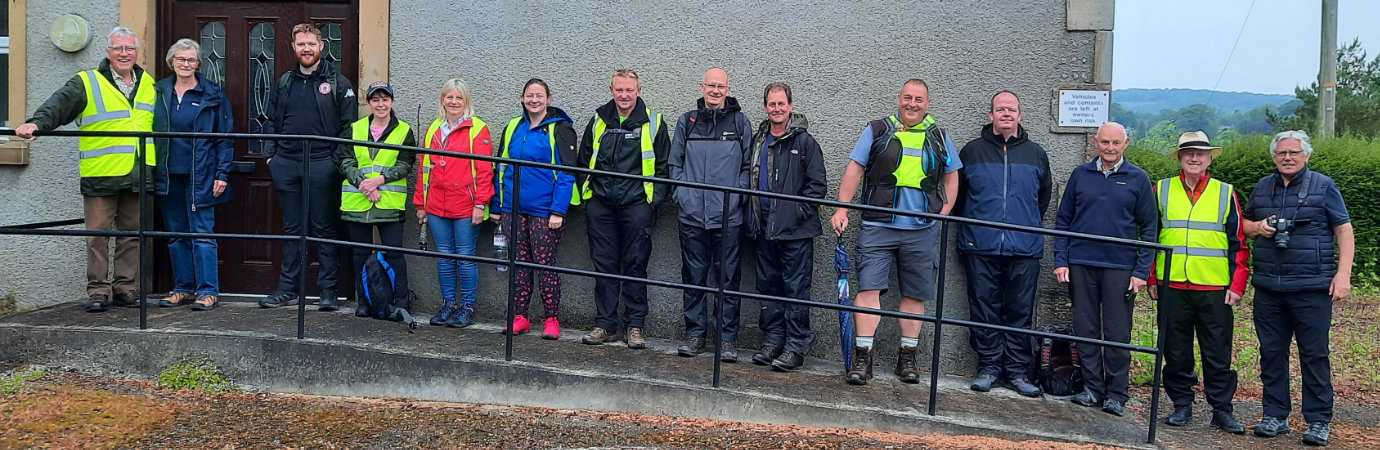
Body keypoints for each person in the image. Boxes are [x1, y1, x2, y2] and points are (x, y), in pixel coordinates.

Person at [15, 26, 159, 312]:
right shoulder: (87, 81)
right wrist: (38, 123)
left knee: (133, 234)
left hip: (139, 171)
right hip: (101, 172)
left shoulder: (148, 83)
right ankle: (98, 292)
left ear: (137, 52)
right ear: (108, 52)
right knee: (98, 236)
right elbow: (59, 105)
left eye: (129, 48)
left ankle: (125, 289)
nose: (124, 53)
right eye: (118, 48)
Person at [830, 79, 961, 385]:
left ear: (928, 103)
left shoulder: (939, 136)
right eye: (907, 98)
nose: (912, 104)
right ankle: (863, 357)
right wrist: (841, 209)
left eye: (919, 99)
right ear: (898, 99)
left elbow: (952, 177)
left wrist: (943, 214)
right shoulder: (877, 130)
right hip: (878, 225)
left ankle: (908, 358)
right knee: (868, 290)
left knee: (915, 294)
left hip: (921, 229)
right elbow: (854, 170)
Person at [1243, 130, 1353, 447]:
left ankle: (1318, 421)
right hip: (1268, 288)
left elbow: (1344, 230)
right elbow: (1246, 226)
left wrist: (1343, 274)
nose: (1287, 158)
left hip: (1312, 287)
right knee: (1271, 353)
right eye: (1281, 153)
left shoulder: (1324, 186)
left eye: (1294, 152)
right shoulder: (1264, 186)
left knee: (1314, 355)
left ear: (1306, 155)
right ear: (1274, 157)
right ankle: (1275, 415)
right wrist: (1259, 228)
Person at [1053, 122, 1158, 416]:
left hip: (1120, 267)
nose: (1110, 148)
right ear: (1096, 143)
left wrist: (1141, 271)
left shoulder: (1138, 178)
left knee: (1116, 332)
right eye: (1105, 142)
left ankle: (1116, 394)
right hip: (1081, 264)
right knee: (1085, 330)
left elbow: (1149, 228)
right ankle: (1092, 389)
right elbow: (1063, 220)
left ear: (1126, 144)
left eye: (1116, 143)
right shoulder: (1080, 175)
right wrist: (1061, 260)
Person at [1147, 131, 1249, 434]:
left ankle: (1222, 410)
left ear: (1209, 160)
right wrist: (1153, 277)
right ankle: (1182, 405)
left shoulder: (1225, 192)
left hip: (1215, 288)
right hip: (1172, 285)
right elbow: (1150, 238)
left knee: (1218, 353)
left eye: (1200, 154)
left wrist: (1237, 284)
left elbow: (1239, 243)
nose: (1194, 158)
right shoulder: (1161, 190)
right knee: (1175, 351)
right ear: (1179, 157)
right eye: (1188, 153)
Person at [955, 91, 1049, 396]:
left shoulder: (1036, 154)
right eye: (1000, 109)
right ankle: (989, 367)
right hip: (980, 244)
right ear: (990, 114)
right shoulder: (971, 152)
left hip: (1024, 247)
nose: (1006, 113)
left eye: (1012, 109)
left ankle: (1017, 372)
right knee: (983, 309)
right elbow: (959, 197)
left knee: (1019, 311)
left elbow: (1042, 199)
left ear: (1020, 115)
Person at [258, 23, 357, 311]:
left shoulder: (339, 82)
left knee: (324, 229)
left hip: (322, 164)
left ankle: (328, 291)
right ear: (293, 47)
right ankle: (287, 289)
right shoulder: (285, 81)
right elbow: (273, 121)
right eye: (301, 44)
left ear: (321, 46)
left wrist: (336, 161)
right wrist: (270, 157)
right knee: (292, 229)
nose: (306, 49)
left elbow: (348, 128)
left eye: (311, 44)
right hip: (286, 164)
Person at [577, 69, 670, 349]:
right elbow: (583, 161)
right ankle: (604, 325)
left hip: (636, 206)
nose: (624, 95)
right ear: (611, 90)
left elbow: (664, 167)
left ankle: (635, 326)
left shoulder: (653, 122)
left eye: (629, 90)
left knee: (635, 265)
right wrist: (588, 199)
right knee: (604, 265)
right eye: (619, 90)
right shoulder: (598, 120)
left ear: (639, 90)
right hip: (601, 205)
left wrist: (651, 202)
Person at [669, 67, 753, 361]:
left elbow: (747, 167)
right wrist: (683, 195)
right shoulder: (687, 121)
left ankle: (726, 339)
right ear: (702, 87)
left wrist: (737, 196)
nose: (716, 91)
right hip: (692, 216)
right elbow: (674, 164)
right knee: (694, 276)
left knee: (728, 279)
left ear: (728, 89)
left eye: (721, 86)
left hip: (728, 217)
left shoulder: (740, 122)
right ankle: (695, 335)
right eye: (711, 86)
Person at [746, 82, 826, 372]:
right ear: (765, 107)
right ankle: (774, 338)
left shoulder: (804, 142)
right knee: (768, 286)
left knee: (795, 289)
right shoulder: (759, 139)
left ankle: (795, 346)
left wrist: (796, 214)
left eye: (781, 104)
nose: (776, 109)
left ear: (790, 106)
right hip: (763, 226)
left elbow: (817, 187)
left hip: (795, 232)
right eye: (771, 104)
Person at [492, 79, 579, 340]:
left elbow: (567, 172)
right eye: (529, 95)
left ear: (548, 99)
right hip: (512, 208)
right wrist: (497, 205)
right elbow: (501, 167)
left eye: (539, 95)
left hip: (545, 211)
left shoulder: (560, 129)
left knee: (545, 265)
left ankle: (551, 319)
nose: (534, 100)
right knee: (518, 264)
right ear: (523, 98)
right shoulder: (513, 127)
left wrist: (558, 210)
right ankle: (520, 317)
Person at [152, 38, 234, 311]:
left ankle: (208, 291)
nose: (186, 64)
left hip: (202, 174)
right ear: (171, 61)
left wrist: (222, 174)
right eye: (181, 59)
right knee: (176, 234)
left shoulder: (212, 94)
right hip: (167, 174)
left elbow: (224, 138)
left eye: (191, 60)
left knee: (202, 233)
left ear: (198, 63)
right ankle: (183, 288)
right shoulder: (158, 91)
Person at [416, 79, 494, 328]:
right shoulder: (433, 129)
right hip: (437, 205)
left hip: (466, 205)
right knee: (445, 257)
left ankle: (467, 307)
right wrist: (421, 203)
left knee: (465, 256)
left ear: (466, 101)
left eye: (459, 98)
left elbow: (484, 171)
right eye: (449, 97)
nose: (454, 102)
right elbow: (424, 169)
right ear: (442, 100)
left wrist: (481, 203)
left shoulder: (478, 129)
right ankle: (448, 304)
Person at [337, 81, 416, 317]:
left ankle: (401, 302)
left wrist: (378, 180)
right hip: (358, 202)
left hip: (388, 202)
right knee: (360, 255)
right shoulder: (355, 128)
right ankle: (364, 302)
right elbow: (344, 160)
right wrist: (364, 184)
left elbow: (405, 163)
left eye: (385, 99)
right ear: (369, 103)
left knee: (395, 255)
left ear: (392, 102)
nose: (380, 104)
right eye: (375, 100)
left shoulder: (404, 130)